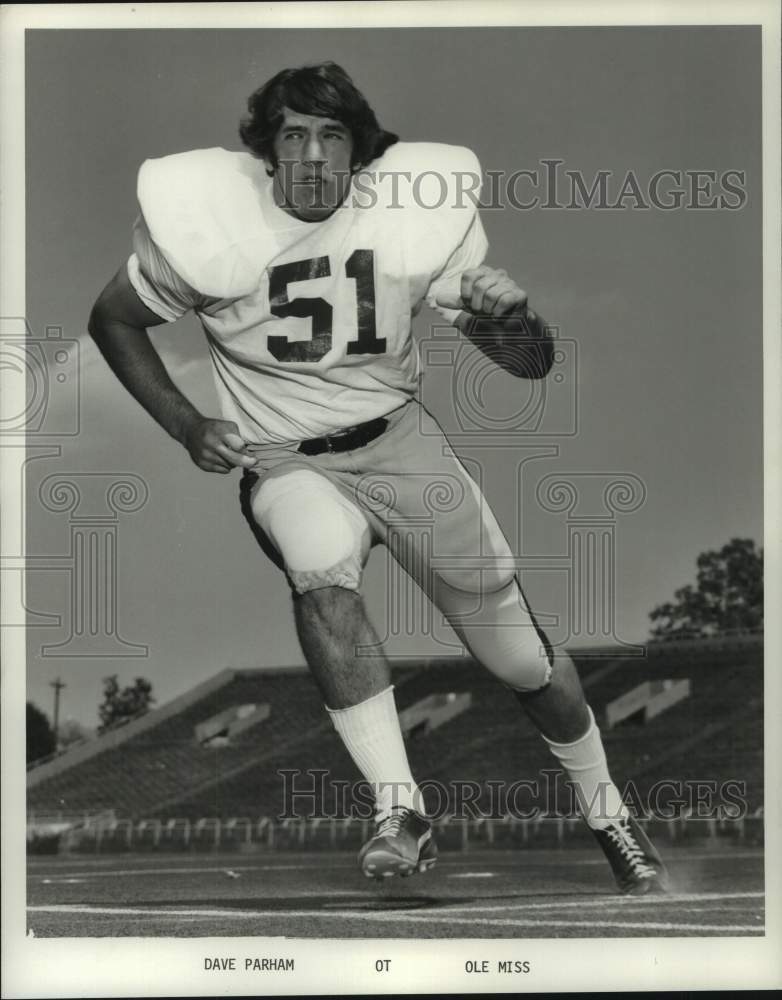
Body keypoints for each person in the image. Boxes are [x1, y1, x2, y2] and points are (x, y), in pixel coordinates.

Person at [88, 61, 667, 894]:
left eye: (333, 138)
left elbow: (530, 365)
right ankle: (400, 809)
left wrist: (518, 319)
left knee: (522, 663)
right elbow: (113, 318)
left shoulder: (409, 217)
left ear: (360, 153)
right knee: (320, 570)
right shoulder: (210, 225)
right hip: (284, 457)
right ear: (265, 151)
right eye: (294, 136)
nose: (314, 157)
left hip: (401, 443)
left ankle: (611, 816)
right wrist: (185, 424)